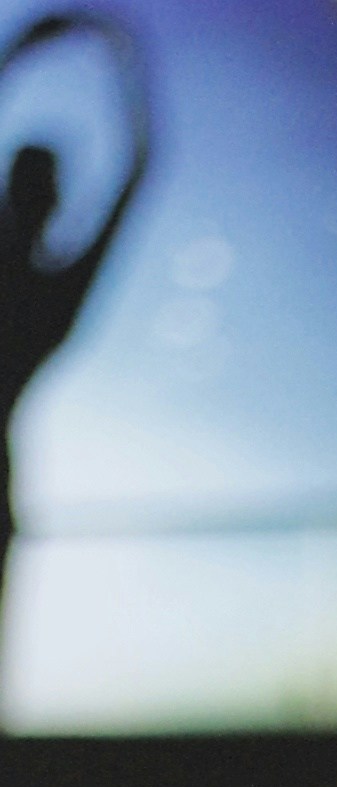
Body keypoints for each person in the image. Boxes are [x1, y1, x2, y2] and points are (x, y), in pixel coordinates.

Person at [0, 12, 152, 667]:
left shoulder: (48, 295)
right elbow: (140, 167)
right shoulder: (52, 297)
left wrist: (18, 54)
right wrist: (122, 60)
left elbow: (139, 171)